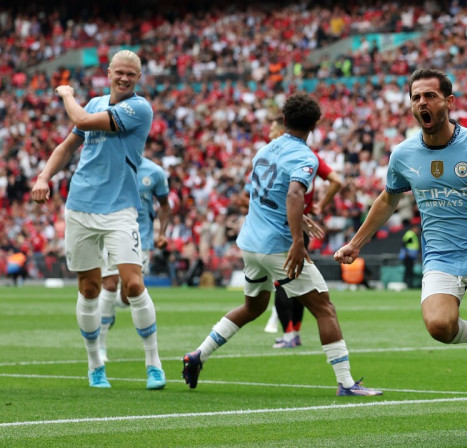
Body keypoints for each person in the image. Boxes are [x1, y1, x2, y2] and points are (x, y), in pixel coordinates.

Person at [335, 68, 467, 438]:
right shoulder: (404, 153)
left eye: (429, 95)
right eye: (415, 97)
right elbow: (387, 200)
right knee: (439, 326)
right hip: (441, 256)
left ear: (448, 102)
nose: (422, 103)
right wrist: (355, 243)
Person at [182, 93, 381, 397]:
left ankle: (197, 355)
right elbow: (292, 195)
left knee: (253, 307)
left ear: (284, 121)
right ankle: (346, 383)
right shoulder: (305, 157)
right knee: (325, 308)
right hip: (278, 246)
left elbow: (269, 196)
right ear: (315, 125)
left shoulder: (262, 152)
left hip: (250, 243)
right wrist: (298, 242)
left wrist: (300, 219)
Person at [30, 50, 165, 389]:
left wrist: (66, 94)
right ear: (109, 72)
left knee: (133, 283)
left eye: (130, 74)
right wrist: (44, 177)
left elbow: (84, 122)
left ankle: (154, 363)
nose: (124, 78)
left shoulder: (139, 108)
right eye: (119, 72)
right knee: (89, 288)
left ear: (138, 77)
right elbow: (66, 146)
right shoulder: (94, 102)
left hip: (120, 208)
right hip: (80, 206)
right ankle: (95, 365)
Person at [262, 114, 343, 349]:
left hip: (285, 226)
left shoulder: (281, 156)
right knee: (296, 280)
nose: (269, 135)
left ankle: (289, 334)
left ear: (282, 131)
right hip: (301, 226)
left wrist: (317, 206)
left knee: (283, 281)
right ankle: (293, 333)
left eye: (272, 131)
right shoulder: (310, 156)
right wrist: (319, 205)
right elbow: (336, 181)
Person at [97, 156, 171, 362]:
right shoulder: (109, 163)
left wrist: (162, 233)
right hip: (110, 233)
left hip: (141, 238)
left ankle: (109, 310)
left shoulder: (154, 172)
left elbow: (165, 205)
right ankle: (101, 346)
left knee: (129, 292)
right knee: (109, 285)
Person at [400, 222, 420, 288]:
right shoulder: (410, 234)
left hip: (410, 256)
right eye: (416, 229)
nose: (417, 231)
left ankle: (408, 285)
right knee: (408, 271)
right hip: (408, 256)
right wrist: (406, 253)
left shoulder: (412, 235)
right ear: (413, 228)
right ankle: (407, 285)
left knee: (409, 271)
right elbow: (404, 244)